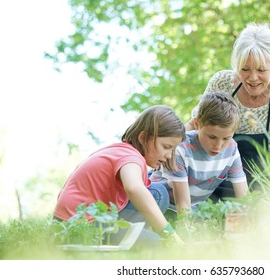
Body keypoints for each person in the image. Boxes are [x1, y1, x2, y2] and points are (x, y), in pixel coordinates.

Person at [186, 22, 270, 195]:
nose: (253, 78)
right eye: (245, 69)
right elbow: (195, 124)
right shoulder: (222, 83)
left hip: (263, 183)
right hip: (214, 175)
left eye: (261, 69)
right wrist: (172, 153)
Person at [53, 105, 186, 245]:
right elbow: (134, 188)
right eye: (166, 147)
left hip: (67, 225)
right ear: (143, 137)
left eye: (173, 149)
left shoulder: (120, 151)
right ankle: (126, 242)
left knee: (157, 192)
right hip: (83, 228)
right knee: (163, 246)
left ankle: (133, 237)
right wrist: (168, 233)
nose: (169, 155)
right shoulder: (131, 157)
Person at [150, 92, 248, 214]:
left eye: (226, 138)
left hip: (194, 209)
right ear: (197, 124)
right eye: (212, 137)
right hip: (162, 206)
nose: (218, 146)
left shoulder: (232, 148)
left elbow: (243, 196)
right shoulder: (181, 149)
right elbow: (183, 204)